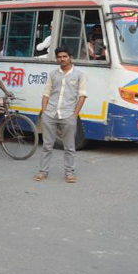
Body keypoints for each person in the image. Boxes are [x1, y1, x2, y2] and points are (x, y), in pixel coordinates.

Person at [34, 46, 87, 183]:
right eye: (59, 57)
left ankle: (69, 173)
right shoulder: (53, 74)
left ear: (70, 57)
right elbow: (46, 93)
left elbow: (82, 96)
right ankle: (43, 172)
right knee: (47, 146)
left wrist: (74, 114)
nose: (62, 59)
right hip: (50, 114)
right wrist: (44, 112)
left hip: (68, 114)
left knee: (69, 147)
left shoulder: (80, 75)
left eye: (64, 56)